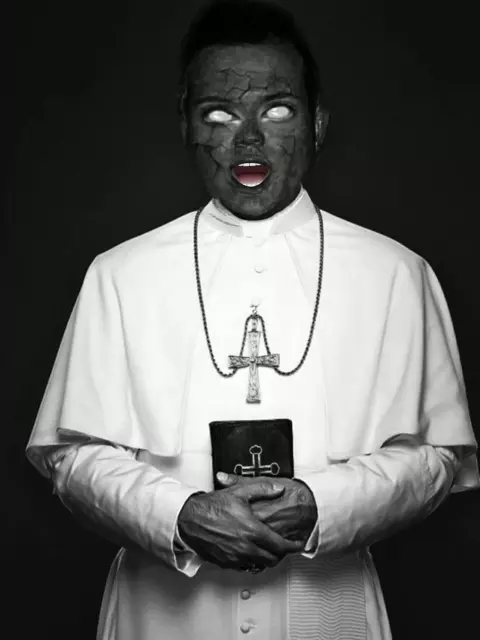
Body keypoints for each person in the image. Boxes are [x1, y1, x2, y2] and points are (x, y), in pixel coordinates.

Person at [26, 1, 479, 639]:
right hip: (161, 616)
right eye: (218, 113)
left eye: (277, 110)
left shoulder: (396, 272)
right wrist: (178, 514)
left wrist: (322, 506)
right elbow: (72, 457)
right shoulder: (119, 273)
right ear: (186, 125)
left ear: (317, 124)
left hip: (329, 612)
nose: (247, 139)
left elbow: (438, 456)